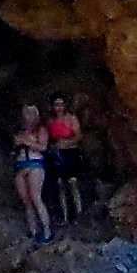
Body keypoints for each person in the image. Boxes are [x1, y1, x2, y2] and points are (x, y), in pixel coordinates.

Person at [43, 94, 88, 223]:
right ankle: (65, 216)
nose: (59, 107)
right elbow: (47, 139)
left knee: (73, 183)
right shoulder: (50, 122)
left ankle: (79, 214)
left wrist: (66, 143)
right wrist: (54, 146)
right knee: (60, 184)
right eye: (56, 104)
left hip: (71, 152)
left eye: (61, 104)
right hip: (57, 154)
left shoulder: (71, 119)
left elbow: (79, 135)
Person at [11, 101, 52, 243]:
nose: (28, 116)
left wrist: (26, 142)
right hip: (20, 165)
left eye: (31, 112)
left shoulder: (41, 129)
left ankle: (47, 232)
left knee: (36, 198)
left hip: (35, 165)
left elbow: (43, 147)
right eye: (26, 112)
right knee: (27, 202)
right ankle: (33, 232)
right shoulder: (21, 131)